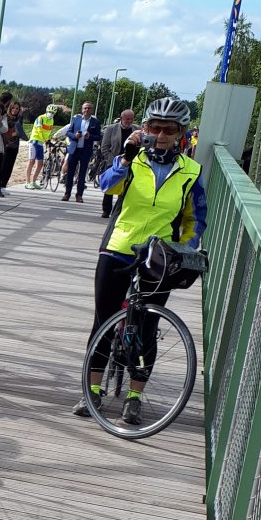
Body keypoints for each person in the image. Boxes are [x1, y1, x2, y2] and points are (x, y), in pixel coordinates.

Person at [74, 96, 205, 426]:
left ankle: (134, 397)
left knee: (147, 325)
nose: (160, 135)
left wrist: (184, 248)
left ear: (181, 133)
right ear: (144, 128)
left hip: (159, 255)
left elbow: (195, 219)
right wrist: (126, 158)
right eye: (154, 127)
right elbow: (107, 186)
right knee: (104, 320)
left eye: (169, 129)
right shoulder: (133, 160)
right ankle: (92, 391)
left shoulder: (191, 172)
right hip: (118, 246)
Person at [62, 100, 100, 203]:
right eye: (85, 108)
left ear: (91, 110)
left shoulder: (95, 122)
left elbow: (98, 136)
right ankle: (67, 193)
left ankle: (79, 195)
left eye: (89, 108)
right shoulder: (76, 119)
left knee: (82, 174)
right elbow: (68, 132)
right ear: (82, 110)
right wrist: (75, 136)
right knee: (70, 172)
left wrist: (90, 136)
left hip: (85, 151)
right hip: (74, 150)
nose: (87, 110)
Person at [100, 109, 134, 217]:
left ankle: (120, 211)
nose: (129, 121)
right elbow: (104, 147)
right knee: (110, 187)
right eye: (127, 119)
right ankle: (106, 210)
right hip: (114, 162)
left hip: (130, 163)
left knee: (126, 188)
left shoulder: (136, 130)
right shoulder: (111, 129)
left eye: (131, 119)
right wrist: (110, 160)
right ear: (121, 118)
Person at [26, 99, 64, 189]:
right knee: (31, 162)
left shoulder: (51, 120)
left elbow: (48, 132)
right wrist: (44, 139)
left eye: (53, 113)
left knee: (40, 164)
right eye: (49, 112)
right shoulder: (41, 118)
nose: (51, 114)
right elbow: (39, 130)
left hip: (41, 143)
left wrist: (49, 139)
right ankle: (27, 182)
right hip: (34, 141)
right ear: (46, 111)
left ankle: (34, 181)